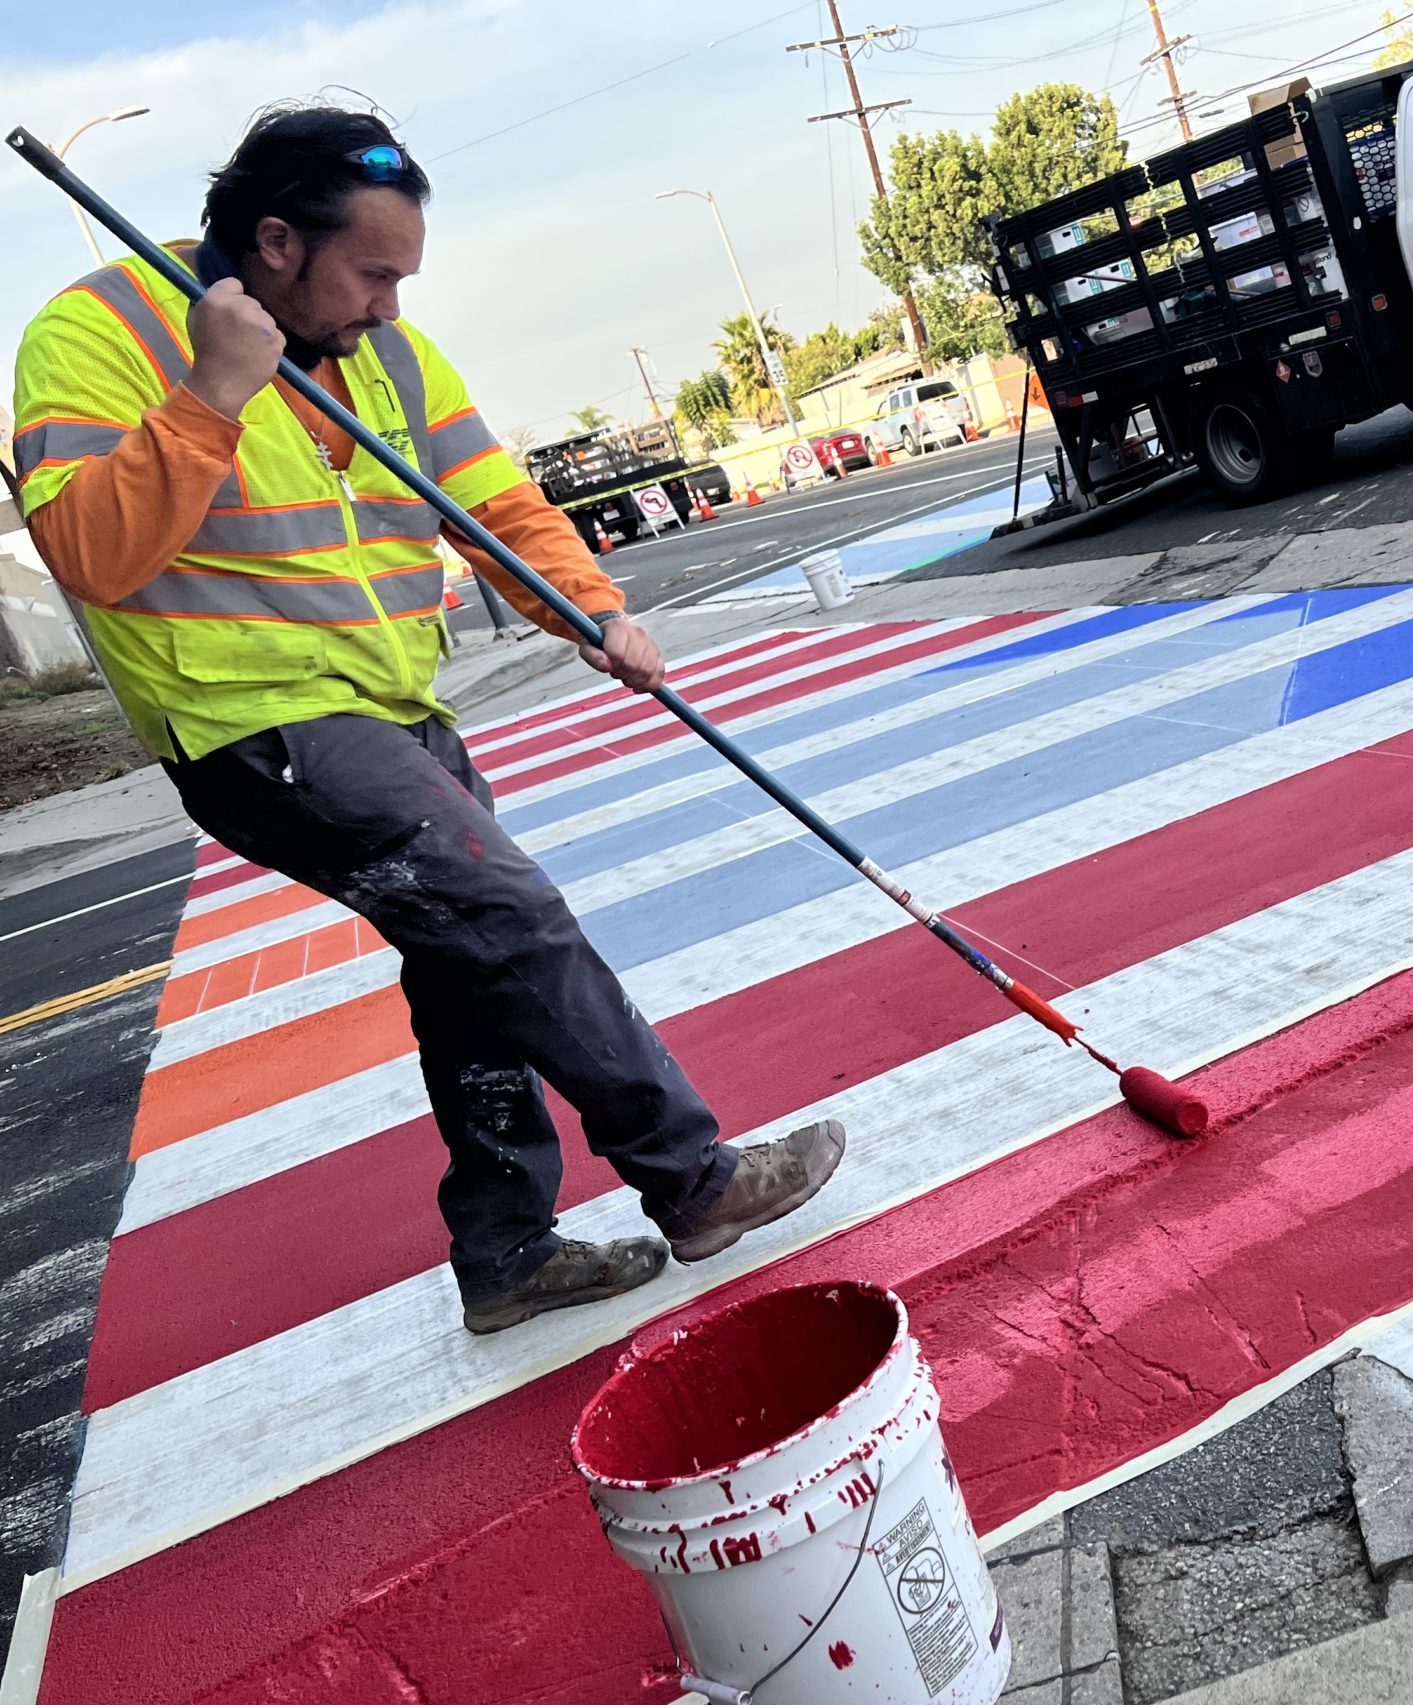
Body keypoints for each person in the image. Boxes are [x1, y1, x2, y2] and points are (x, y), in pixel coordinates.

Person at [10, 103, 844, 1334]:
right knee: (507, 914)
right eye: (374, 275)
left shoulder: (393, 357)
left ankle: (506, 1252)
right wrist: (213, 395)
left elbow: (497, 506)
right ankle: (694, 1179)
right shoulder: (95, 334)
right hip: (254, 727)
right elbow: (89, 553)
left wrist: (595, 609)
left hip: (397, 710)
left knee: (470, 964)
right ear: (278, 244)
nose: (390, 307)